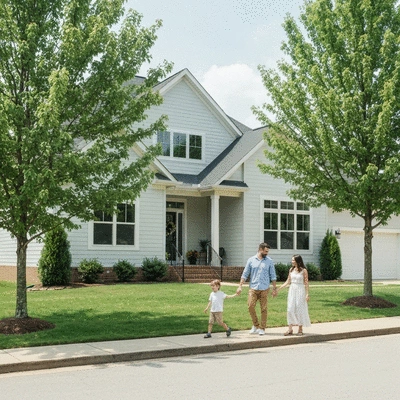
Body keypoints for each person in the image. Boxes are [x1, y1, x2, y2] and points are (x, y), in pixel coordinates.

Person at [236, 242, 277, 335]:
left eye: (268, 251)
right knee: (250, 306)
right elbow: (245, 274)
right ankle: (256, 325)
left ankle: (262, 328)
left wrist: (274, 288)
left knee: (264, 309)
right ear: (260, 250)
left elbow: (273, 275)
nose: (267, 253)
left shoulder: (269, 261)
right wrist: (240, 286)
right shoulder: (251, 260)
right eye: (265, 251)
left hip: (264, 288)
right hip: (253, 288)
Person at [278, 254, 311, 336]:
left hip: (300, 290)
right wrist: (278, 289)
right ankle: (290, 329)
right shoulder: (291, 270)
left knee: (299, 308)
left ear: (298, 261)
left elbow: (306, 283)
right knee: (290, 309)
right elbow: (288, 281)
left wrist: (307, 294)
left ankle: (300, 328)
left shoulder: (304, 271)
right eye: (292, 260)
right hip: (292, 290)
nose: (292, 261)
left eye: (293, 260)